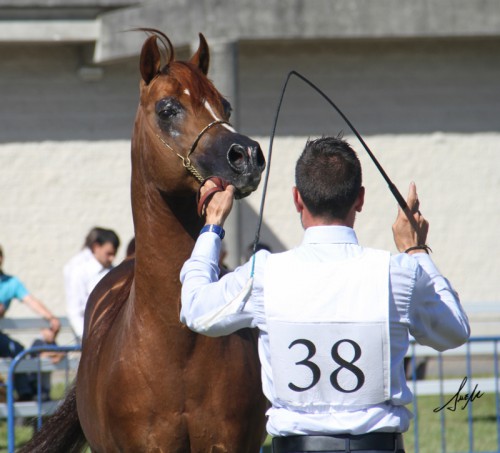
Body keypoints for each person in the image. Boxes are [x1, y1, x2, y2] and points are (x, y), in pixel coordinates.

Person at [180, 136, 470, 453]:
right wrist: (416, 250)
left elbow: (195, 309)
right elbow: (454, 329)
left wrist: (212, 227)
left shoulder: (265, 273)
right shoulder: (397, 272)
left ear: (297, 199)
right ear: (359, 199)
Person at [0, 244, 60, 401]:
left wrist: (50, 318)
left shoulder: (10, 282)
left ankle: (25, 395)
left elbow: (30, 300)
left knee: (18, 352)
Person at [64, 227, 120, 342]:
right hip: (89, 338)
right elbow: (75, 311)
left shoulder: (115, 273)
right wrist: (86, 339)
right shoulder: (80, 272)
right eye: (108, 253)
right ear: (96, 247)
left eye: (114, 254)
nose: (112, 258)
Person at [27, 327, 64, 402]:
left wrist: (59, 356)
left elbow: (63, 352)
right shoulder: (38, 342)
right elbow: (42, 354)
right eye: (50, 330)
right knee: (40, 398)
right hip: (35, 381)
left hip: (44, 382)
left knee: (46, 397)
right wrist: (56, 354)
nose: (52, 334)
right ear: (43, 330)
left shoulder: (52, 342)